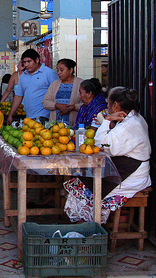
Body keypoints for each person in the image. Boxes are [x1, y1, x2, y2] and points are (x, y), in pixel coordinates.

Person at [63, 87, 151, 223]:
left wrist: (106, 121)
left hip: (133, 174)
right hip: (126, 167)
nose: (106, 106)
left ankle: (87, 226)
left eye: (108, 103)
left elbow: (103, 145)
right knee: (83, 181)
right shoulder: (131, 119)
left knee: (87, 187)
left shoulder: (130, 125)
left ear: (115, 105)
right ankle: (85, 224)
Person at [6, 49, 58, 125]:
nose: (26, 65)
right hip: (29, 118)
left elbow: (57, 94)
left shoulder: (49, 73)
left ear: (37, 60)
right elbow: (18, 96)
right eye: (24, 62)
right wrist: (10, 115)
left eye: (29, 61)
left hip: (46, 118)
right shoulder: (23, 76)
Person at [42, 58, 83, 126]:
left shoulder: (81, 83)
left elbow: (87, 103)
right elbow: (45, 102)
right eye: (57, 70)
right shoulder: (54, 84)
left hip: (74, 125)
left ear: (70, 70)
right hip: (55, 127)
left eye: (62, 70)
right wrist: (57, 105)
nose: (59, 73)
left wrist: (74, 107)